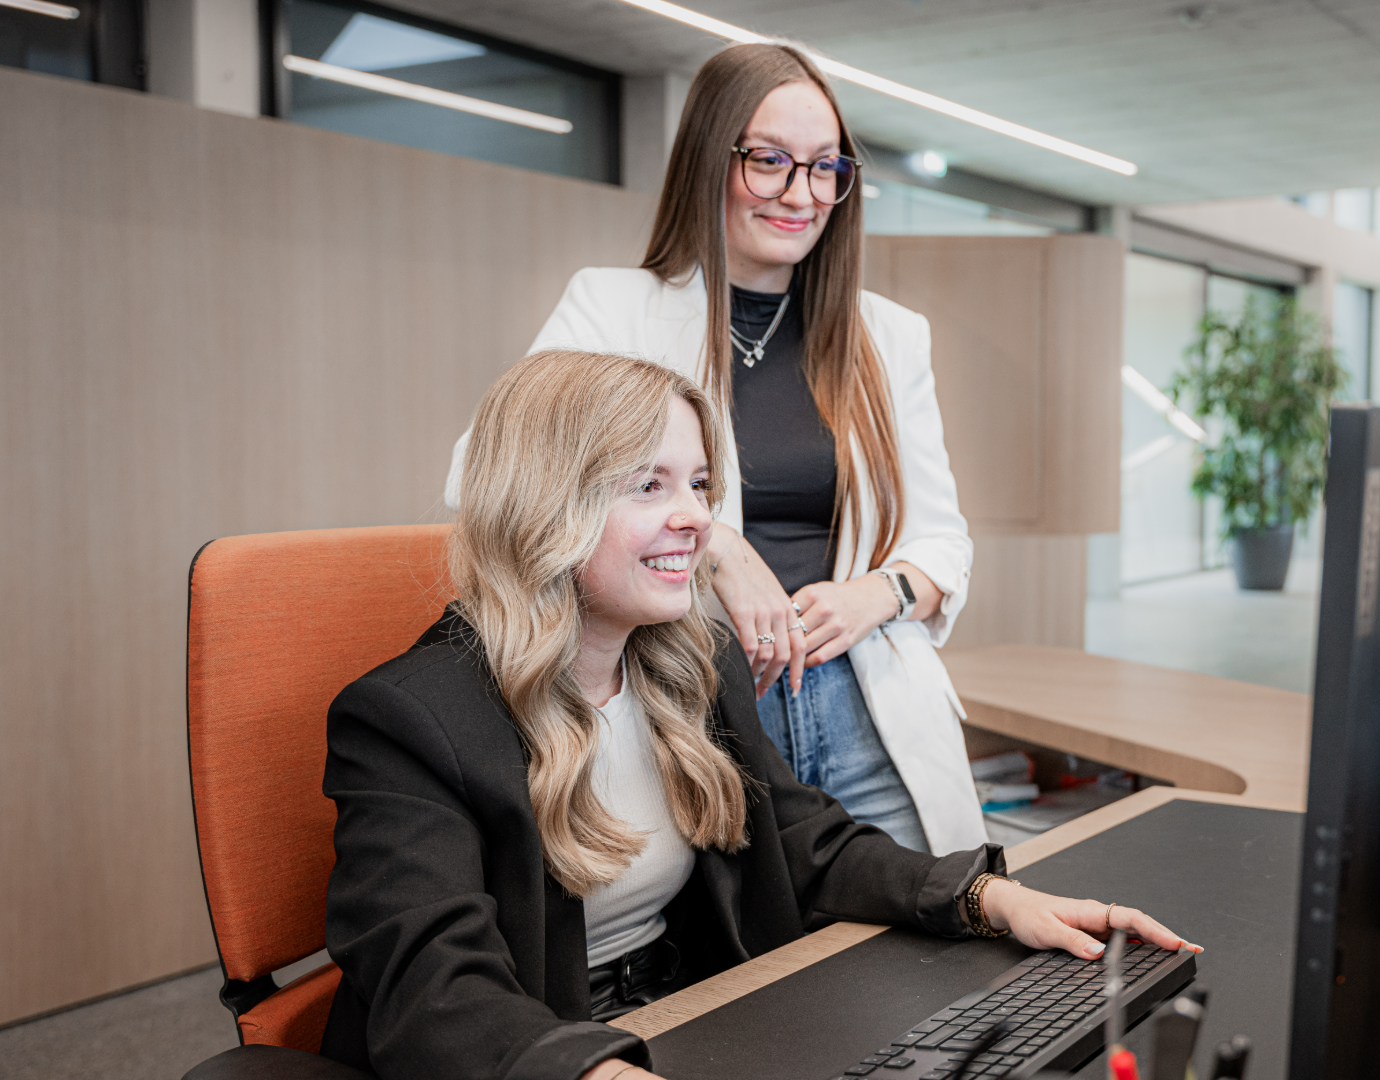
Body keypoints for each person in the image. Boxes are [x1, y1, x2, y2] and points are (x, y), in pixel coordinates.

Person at [322, 351, 1195, 1080]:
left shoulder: (691, 664)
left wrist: (990, 898)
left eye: (699, 484)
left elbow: (799, 843)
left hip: (689, 1015)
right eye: (649, 485)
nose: (696, 519)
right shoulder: (407, 720)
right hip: (546, 1055)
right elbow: (436, 993)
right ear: (546, 503)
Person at [443, 42, 976, 856]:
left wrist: (878, 594)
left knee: (924, 918)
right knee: (747, 933)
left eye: (825, 167)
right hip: (695, 704)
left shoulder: (889, 336)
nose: (801, 195)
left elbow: (943, 541)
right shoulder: (614, 308)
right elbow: (483, 475)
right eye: (769, 161)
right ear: (710, 158)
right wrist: (715, 543)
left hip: (866, 704)